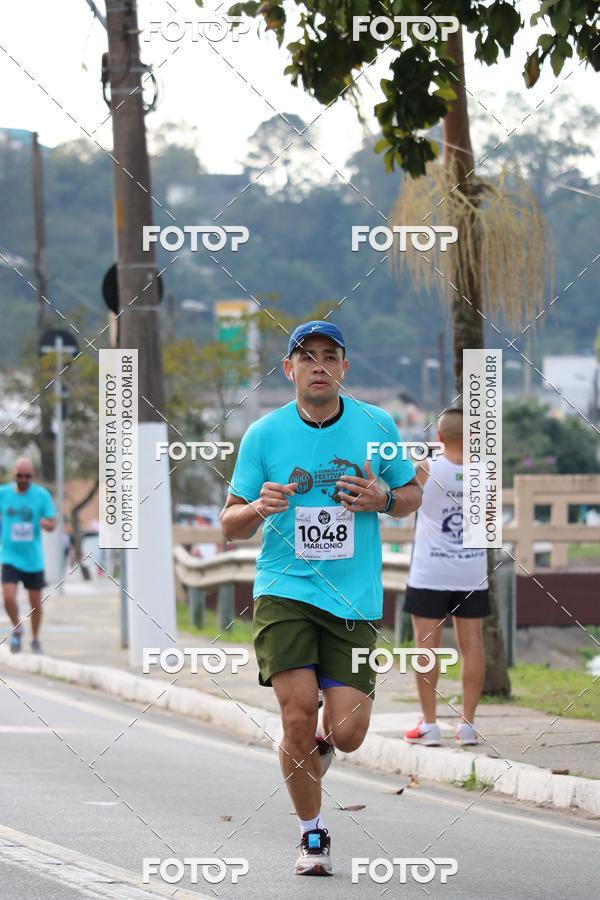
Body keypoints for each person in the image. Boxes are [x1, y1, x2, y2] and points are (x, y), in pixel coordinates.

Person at [220, 320, 422, 877]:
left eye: (329, 356)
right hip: (284, 591)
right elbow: (229, 524)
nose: (318, 365)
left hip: (353, 599)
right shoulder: (263, 435)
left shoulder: (376, 426)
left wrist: (383, 497)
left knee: (350, 733)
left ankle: (317, 750)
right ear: (288, 369)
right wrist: (259, 507)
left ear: (344, 369)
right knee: (296, 713)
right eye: (306, 357)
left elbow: (411, 495)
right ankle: (312, 835)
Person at [403, 408, 490, 748]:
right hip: (470, 570)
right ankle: (467, 725)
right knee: (473, 648)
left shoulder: (426, 468)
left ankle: (429, 724)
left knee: (427, 648)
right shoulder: (486, 473)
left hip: (430, 571)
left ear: (439, 437)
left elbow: (404, 500)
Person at [0, 457, 56, 654]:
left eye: (27, 476)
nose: (23, 479)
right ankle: (17, 627)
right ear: (13, 474)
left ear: (33, 477)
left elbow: (52, 521)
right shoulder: (3, 493)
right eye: (19, 475)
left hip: (33, 559)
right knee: (7, 597)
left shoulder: (41, 496)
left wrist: (47, 525)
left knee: (35, 604)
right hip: (9, 556)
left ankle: (35, 639)